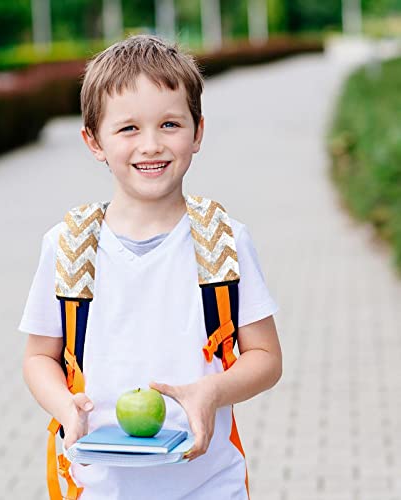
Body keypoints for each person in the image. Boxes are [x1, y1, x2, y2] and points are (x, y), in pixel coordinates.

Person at [20, 34, 282, 500]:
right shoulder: (67, 245)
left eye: (169, 124)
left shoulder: (224, 241)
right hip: (99, 486)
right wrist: (66, 408)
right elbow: (40, 356)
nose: (152, 145)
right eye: (128, 129)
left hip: (208, 482)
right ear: (93, 141)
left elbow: (265, 358)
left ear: (198, 131)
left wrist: (213, 391)